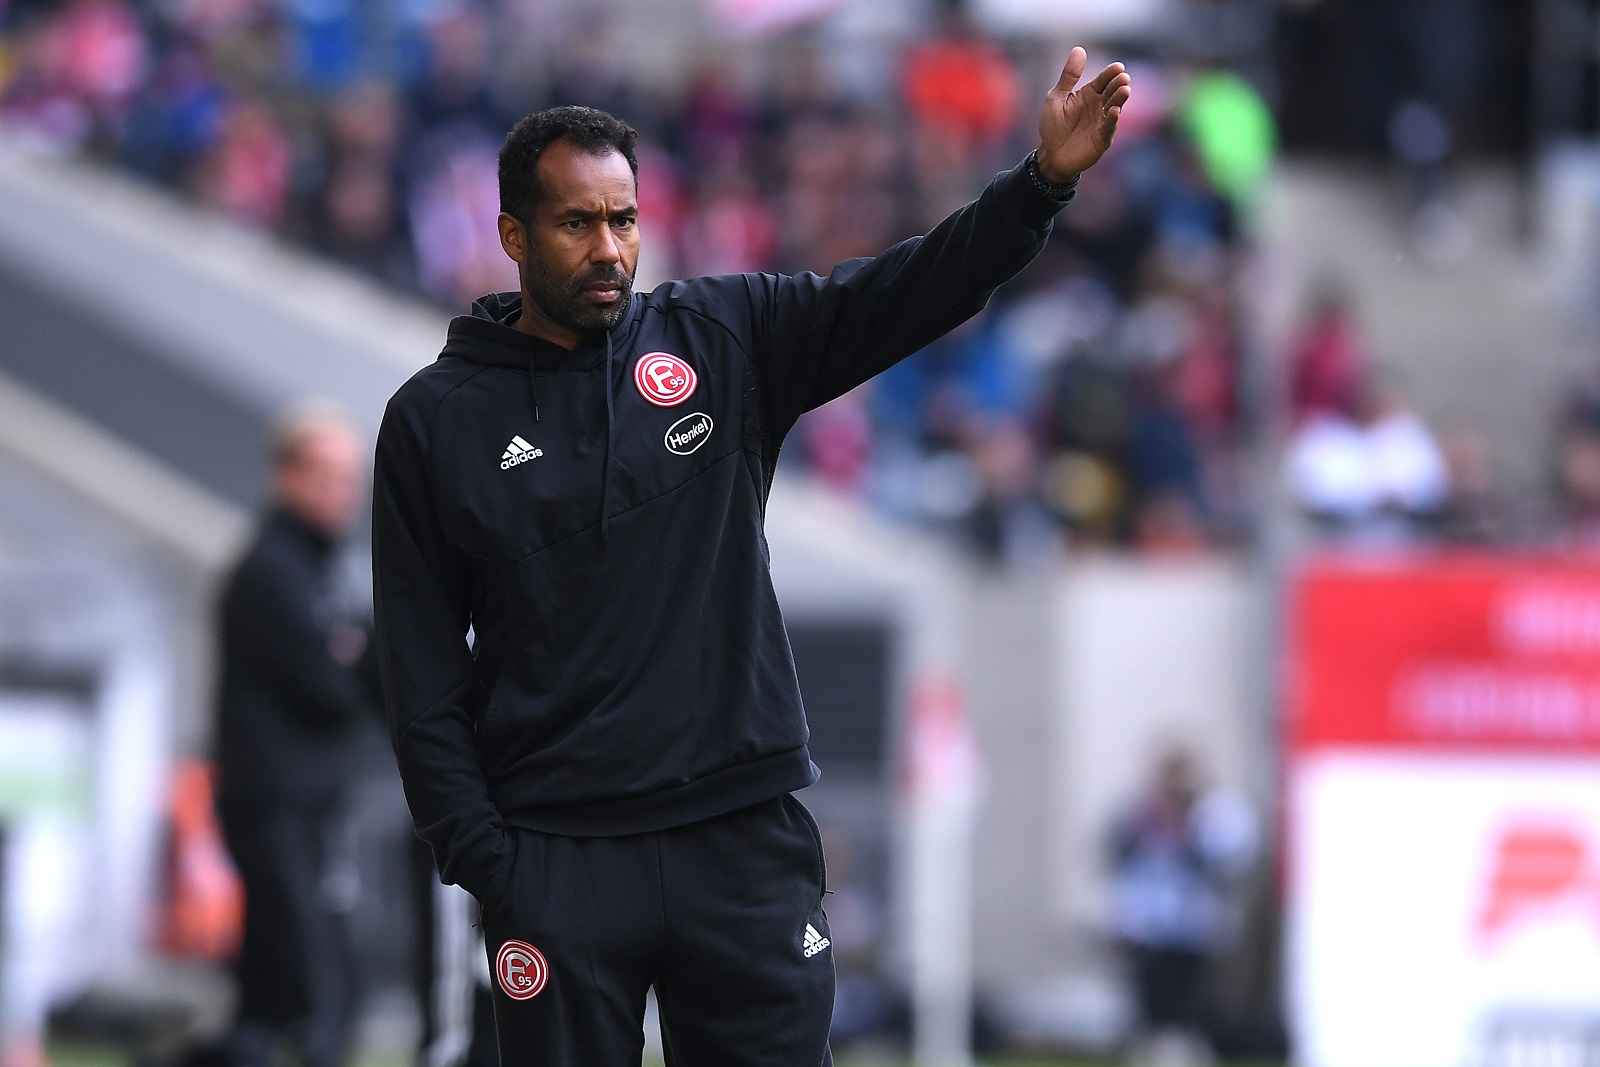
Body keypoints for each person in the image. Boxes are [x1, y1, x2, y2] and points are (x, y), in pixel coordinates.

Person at [371, 48, 1131, 1066]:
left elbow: (900, 293)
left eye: (624, 219)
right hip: (552, 853)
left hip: (737, 837)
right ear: (512, 233)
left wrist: (1039, 186)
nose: (609, 247)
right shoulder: (434, 420)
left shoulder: (720, 337)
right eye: (577, 222)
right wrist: (484, 856)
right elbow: (418, 665)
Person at [214, 403, 378, 1067]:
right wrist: (354, 656)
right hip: (275, 810)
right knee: (321, 992)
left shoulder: (323, 567)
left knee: (269, 999)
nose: (344, 492)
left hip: (312, 809)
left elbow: (359, 662)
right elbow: (334, 685)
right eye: (328, 475)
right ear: (287, 475)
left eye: (351, 477)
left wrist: (354, 652)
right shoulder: (271, 571)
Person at [1108, 748, 1258, 1064]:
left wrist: (1190, 828)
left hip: (1192, 928)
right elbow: (1121, 861)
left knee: (1189, 1002)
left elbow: (1231, 857)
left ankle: (1186, 1051)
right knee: (1151, 1001)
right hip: (1150, 927)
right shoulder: (1142, 814)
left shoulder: (1212, 813)